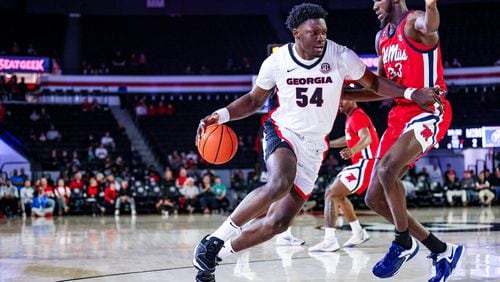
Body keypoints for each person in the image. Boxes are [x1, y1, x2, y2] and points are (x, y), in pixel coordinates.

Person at [192, 3, 441, 281]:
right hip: (282, 132)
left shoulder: (340, 55)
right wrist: (221, 115)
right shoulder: (277, 62)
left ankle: (213, 256)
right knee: (280, 182)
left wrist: (409, 92)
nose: (321, 37)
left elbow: (374, 84)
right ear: (297, 33)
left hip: (314, 147)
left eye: (323, 32)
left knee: (278, 222)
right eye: (314, 33)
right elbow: (253, 101)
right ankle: (214, 239)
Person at [345, 0, 463, 280]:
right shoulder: (381, 37)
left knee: (387, 170)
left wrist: (432, 4)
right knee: (373, 197)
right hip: (400, 115)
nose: (373, 4)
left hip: (429, 109)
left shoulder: (416, 22)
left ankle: (403, 241)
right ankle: (441, 249)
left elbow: (431, 25)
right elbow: (381, 88)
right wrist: (343, 94)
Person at [308, 99, 378, 252]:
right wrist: (328, 144)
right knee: (338, 196)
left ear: (354, 100)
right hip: (362, 164)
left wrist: (353, 151)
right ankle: (358, 233)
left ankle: (330, 240)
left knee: (331, 193)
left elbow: (367, 138)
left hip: (366, 163)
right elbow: (348, 140)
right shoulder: (351, 118)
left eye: (344, 99)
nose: (339, 102)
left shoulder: (357, 115)